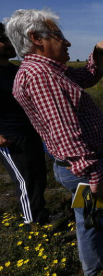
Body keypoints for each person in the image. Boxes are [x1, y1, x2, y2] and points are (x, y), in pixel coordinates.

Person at [5, 9, 103, 276]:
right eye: (58, 35)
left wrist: (99, 51)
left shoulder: (47, 71)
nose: (67, 43)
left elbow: (87, 77)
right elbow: (64, 131)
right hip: (87, 164)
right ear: (35, 38)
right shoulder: (41, 76)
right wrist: (93, 171)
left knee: (88, 218)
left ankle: (92, 268)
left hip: (74, 166)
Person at [0, 22, 49, 226]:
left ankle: (40, 215)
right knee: (25, 181)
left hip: (30, 132)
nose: (11, 44)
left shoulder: (15, 70)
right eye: (4, 40)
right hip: (9, 138)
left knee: (39, 176)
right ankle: (33, 227)